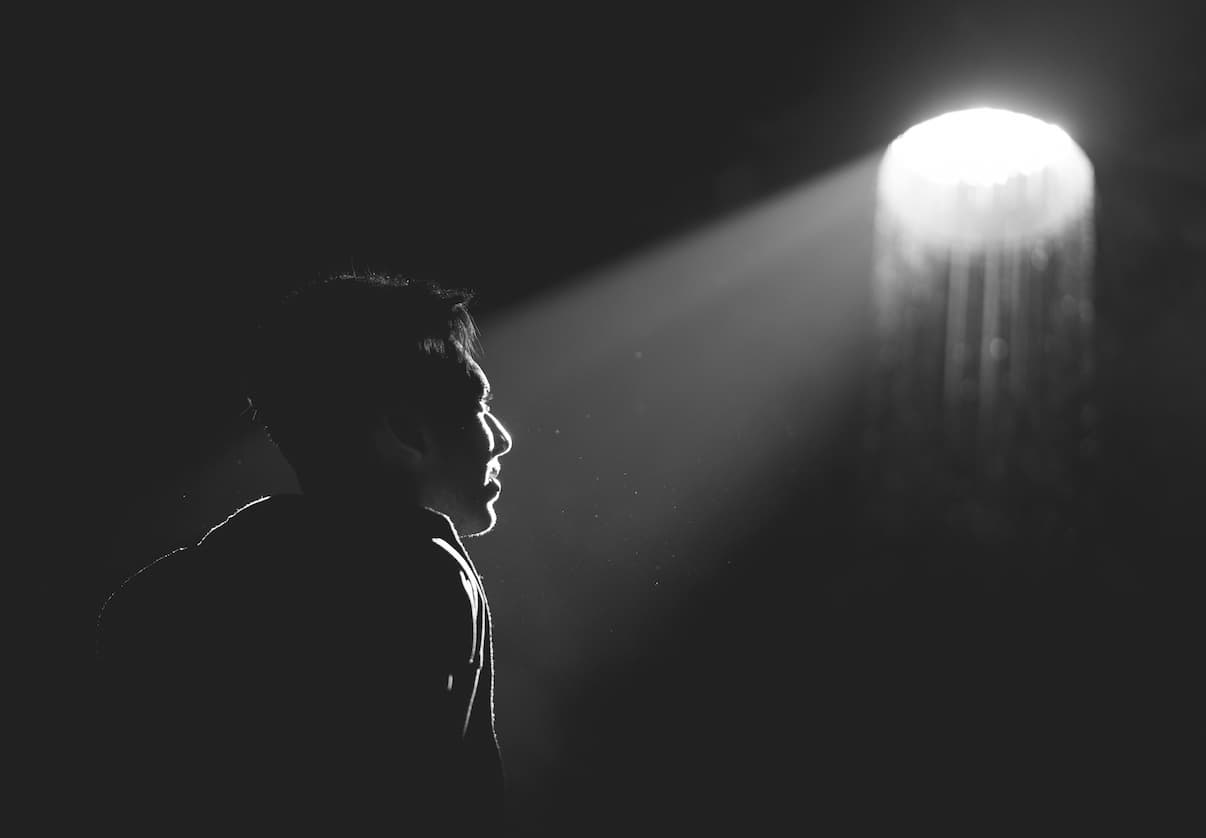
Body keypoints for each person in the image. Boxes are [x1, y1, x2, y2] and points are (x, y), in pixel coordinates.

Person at [96, 273, 514, 833]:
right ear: (402, 431)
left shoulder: (167, 590)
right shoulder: (425, 573)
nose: (501, 439)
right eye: (479, 406)